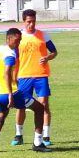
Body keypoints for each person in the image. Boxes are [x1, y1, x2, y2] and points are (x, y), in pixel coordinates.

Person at [0, 28, 46, 153]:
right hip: (11, 94)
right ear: (8, 39)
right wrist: (10, 94)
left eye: (20, 41)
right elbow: (7, 73)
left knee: (2, 113)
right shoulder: (10, 53)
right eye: (17, 40)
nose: (18, 44)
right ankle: (38, 143)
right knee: (40, 108)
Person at [12, 9, 57, 150]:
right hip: (24, 76)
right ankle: (18, 135)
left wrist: (48, 57)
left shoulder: (43, 35)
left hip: (41, 75)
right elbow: (13, 58)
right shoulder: (18, 37)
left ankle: (45, 136)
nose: (31, 24)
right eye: (28, 22)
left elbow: (54, 52)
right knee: (21, 106)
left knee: (44, 105)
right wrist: (14, 77)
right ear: (23, 21)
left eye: (33, 21)